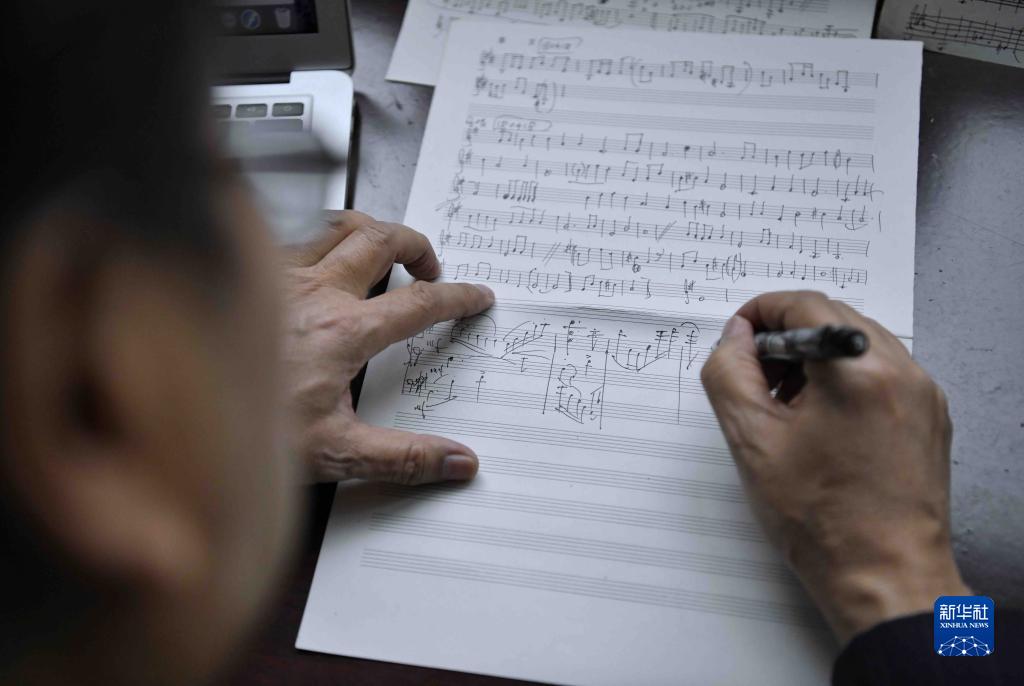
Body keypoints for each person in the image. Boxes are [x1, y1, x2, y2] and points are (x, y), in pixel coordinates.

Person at [0, 2, 1017, 685]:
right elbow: (983, 657)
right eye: (219, 175)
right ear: (79, 366)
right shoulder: (957, 631)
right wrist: (909, 574)